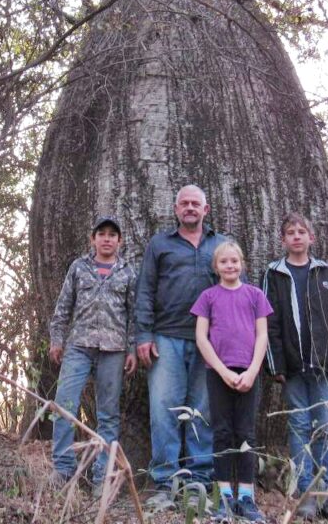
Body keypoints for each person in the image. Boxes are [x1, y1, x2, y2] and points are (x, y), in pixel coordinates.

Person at [262, 213, 328, 522]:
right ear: (283, 240)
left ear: (311, 238)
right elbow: (269, 322)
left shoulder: (325, 273)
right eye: (291, 232)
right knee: (300, 427)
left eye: (302, 232)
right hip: (292, 367)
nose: (297, 236)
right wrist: (274, 363)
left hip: (324, 367)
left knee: (326, 428)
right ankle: (306, 494)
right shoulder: (274, 274)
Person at [135, 184, 225, 493]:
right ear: (176, 210)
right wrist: (144, 334)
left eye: (195, 204)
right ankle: (165, 483)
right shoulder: (160, 244)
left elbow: (236, 292)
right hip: (166, 338)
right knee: (165, 412)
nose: (189, 208)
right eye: (184, 203)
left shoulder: (221, 245)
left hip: (210, 343)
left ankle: (200, 480)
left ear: (205, 209)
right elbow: (145, 290)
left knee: (204, 411)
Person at [49, 216, 137, 492]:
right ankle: (63, 470)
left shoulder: (128, 272)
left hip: (113, 350)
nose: (107, 238)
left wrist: (132, 349)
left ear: (120, 241)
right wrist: (56, 339)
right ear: (93, 239)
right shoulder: (78, 268)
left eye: (113, 234)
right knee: (64, 406)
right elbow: (64, 306)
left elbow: (133, 315)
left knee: (108, 415)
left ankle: (102, 477)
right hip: (78, 347)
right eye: (102, 234)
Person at [191, 241, 272, 522]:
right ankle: (223, 496)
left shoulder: (255, 295)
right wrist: (223, 371)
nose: (229, 266)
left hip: (249, 371)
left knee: (246, 433)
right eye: (224, 262)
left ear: (242, 264)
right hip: (217, 373)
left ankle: (246, 498)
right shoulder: (208, 297)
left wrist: (251, 371)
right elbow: (202, 337)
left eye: (234, 261)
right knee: (222, 432)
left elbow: (262, 335)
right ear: (216, 267)